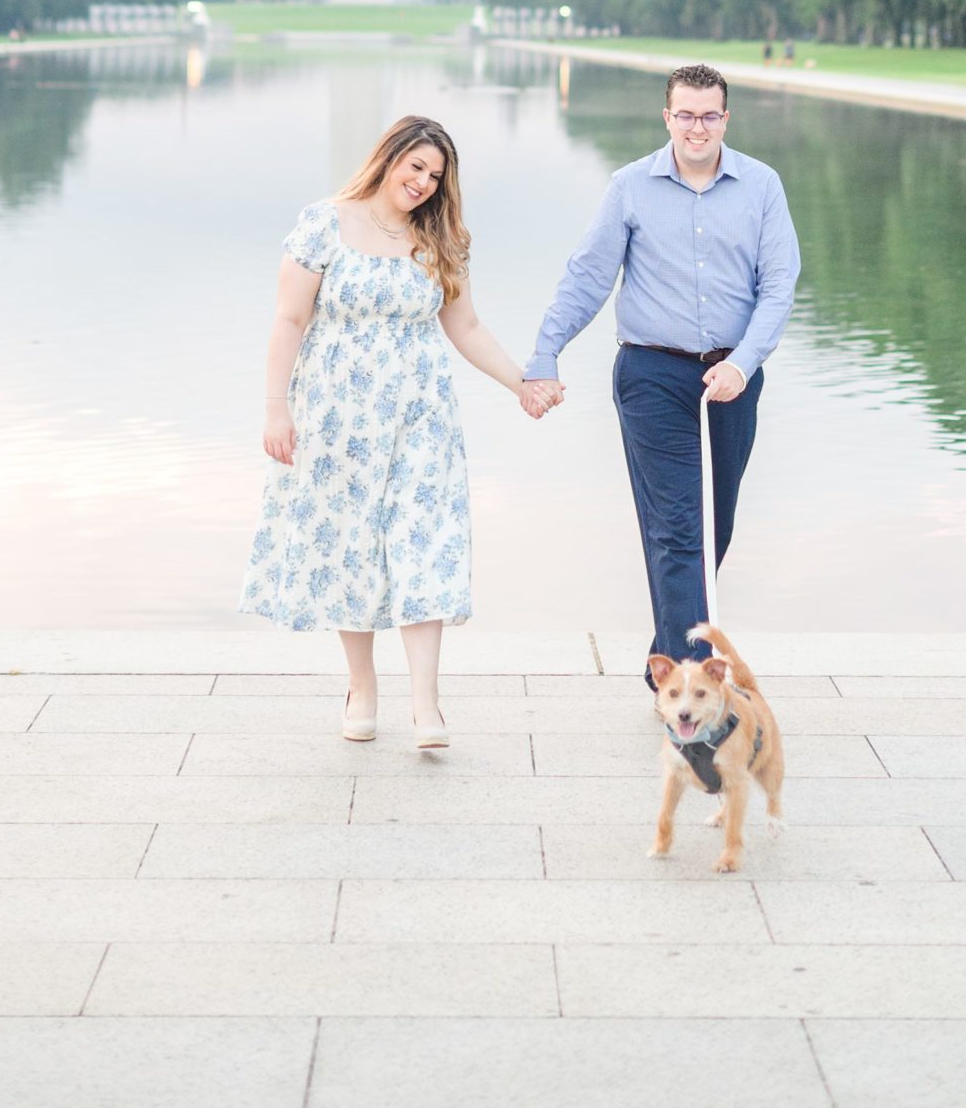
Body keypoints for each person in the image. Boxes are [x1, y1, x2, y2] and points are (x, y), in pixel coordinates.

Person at [239, 113, 553, 745]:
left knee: (425, 541)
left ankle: (427, 704)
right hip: (337, 417)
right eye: (416, 167)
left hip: (421, 416)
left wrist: (522, 381)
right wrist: (277, 407)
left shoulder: (440, 239)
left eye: (436, 176)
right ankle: (362, 684)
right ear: (389, 158)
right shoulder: (324, 223)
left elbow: (465, 328)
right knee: (349, 545)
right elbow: (289, 321)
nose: (423, 184)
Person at [525, 63, 799, 671]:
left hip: (731, 378)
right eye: (685, 115)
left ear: (725, 118)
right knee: (679, 528)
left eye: (708, 116)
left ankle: (666, 657)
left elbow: (778, 286)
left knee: (712, 528)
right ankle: (692, 686)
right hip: (651, 375)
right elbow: (588, 277)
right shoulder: (630, 187)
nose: (696, 128)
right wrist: (546, 353)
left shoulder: (761, 186)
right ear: (667, 117)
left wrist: (745, 364)